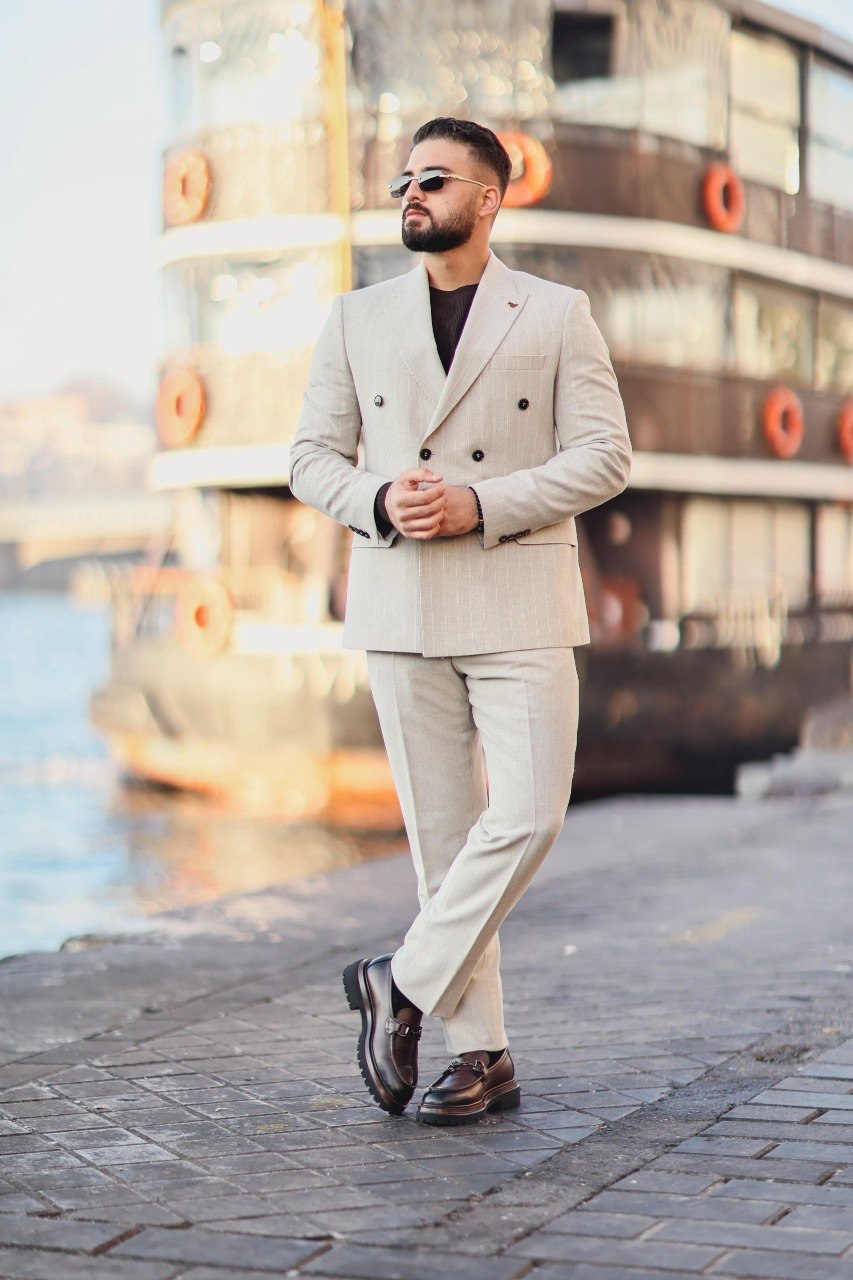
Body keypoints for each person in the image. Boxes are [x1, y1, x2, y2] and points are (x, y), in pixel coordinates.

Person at [289, 116, 631, 1126]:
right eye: (404, 178)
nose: (412, 192)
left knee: (528, 809)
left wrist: (484, 503)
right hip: (400, 602)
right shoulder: (354, 320)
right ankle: (479, 1054)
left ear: (490, 197)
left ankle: (399, 978)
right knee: (443, 844)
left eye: (433, 179)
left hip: (517, 590)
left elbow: (605, 456)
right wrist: (379, 500)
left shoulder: (557, 313)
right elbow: (311, 457)